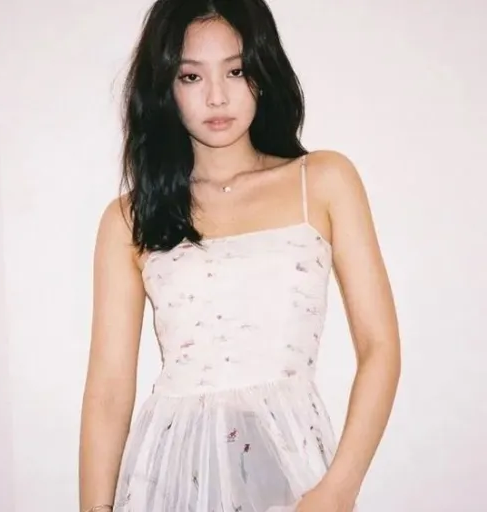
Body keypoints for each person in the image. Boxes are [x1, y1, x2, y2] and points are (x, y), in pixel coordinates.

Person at [78, 0, 401, 511]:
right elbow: (109, 392)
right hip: (169, 480)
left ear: (262, 73)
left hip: (296, 475)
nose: (217, 96)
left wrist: (338, 489)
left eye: (235, 70)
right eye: (191, 76)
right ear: (165, 87)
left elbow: (380, 347)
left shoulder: (323, 181)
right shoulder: (129, 219)